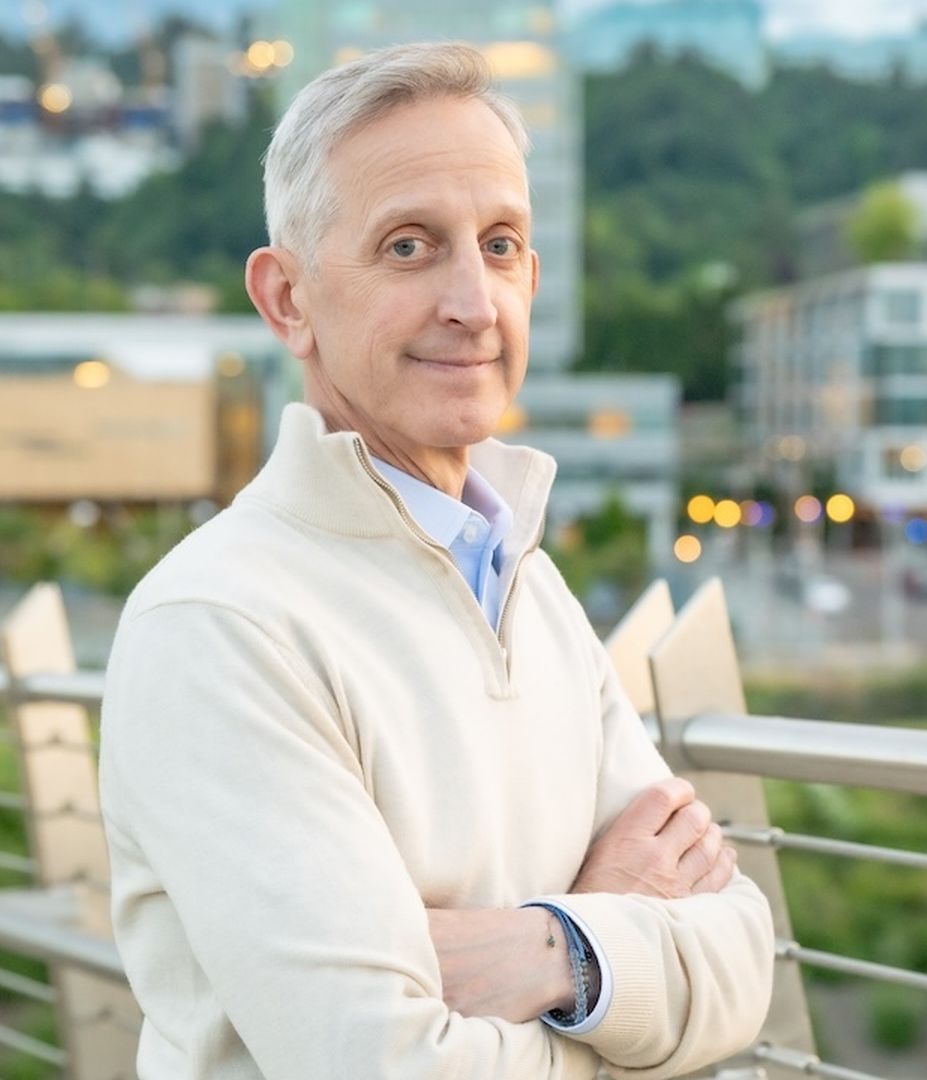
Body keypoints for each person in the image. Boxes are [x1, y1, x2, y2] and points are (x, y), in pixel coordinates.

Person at [97, 41, 775, 1079]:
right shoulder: (219, 624)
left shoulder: (528, 587)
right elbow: (380, 1065)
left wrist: (558, 950)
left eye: (500, 245)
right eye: (409, 247)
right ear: (288, 300)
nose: (472, 302)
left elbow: (744, 959)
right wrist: (619, 955)